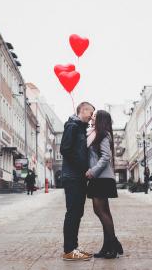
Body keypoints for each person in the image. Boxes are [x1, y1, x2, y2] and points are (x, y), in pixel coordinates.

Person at [60, 102, 95, 261]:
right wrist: (83, 169)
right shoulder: (72, 126)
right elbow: (65, 149)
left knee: (77, 213)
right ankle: (69, 250)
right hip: (73, 177)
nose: (91, 116)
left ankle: (73, 248)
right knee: (73, 213)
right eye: (91, 112)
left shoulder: (79, 127)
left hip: (77, 177)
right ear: (83, 110)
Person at [86, 110, 123, 259]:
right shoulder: (94, 134)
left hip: (101, 177)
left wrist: (93, 171)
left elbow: (106, 156)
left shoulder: (103, 135)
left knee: (100, 211)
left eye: (94, 116)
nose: (91, 117)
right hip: (99, 177)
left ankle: (113, 244)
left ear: (100, 119)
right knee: (103, 212)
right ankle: (109, 245)